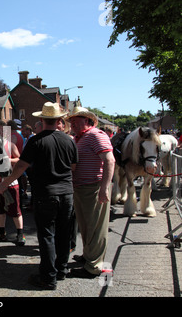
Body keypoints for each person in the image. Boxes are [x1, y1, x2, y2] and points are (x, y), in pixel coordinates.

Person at [0, 102, 78, 290]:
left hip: (46, 194)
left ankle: (49, 277)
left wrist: (4, 184)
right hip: (67, 193)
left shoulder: (36, 141)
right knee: (64, 233)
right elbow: (73, 167)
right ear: (59, 120)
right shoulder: (69, 141)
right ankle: (61, 269)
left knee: (47, 235)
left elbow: (21, 167)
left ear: (42, 119)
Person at [67, 106, 115, 279]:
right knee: (86, 225)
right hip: (82, 187)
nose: (72, 123)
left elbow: (109, 160)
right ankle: (89, 256)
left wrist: (104, 188)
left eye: (76, 120)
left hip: (94, 187)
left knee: (96, 227)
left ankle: (94, 266)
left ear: (88, 121)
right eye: (71, 120)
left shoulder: (95, 135)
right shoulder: (79, 138)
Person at [0, 121, 25, 246]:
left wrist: (8, 159)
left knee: (15, 211)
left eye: (1, 130)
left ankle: (20, 234)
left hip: (10, 182)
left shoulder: (10, 145)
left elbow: (19, 159)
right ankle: (1, 233)